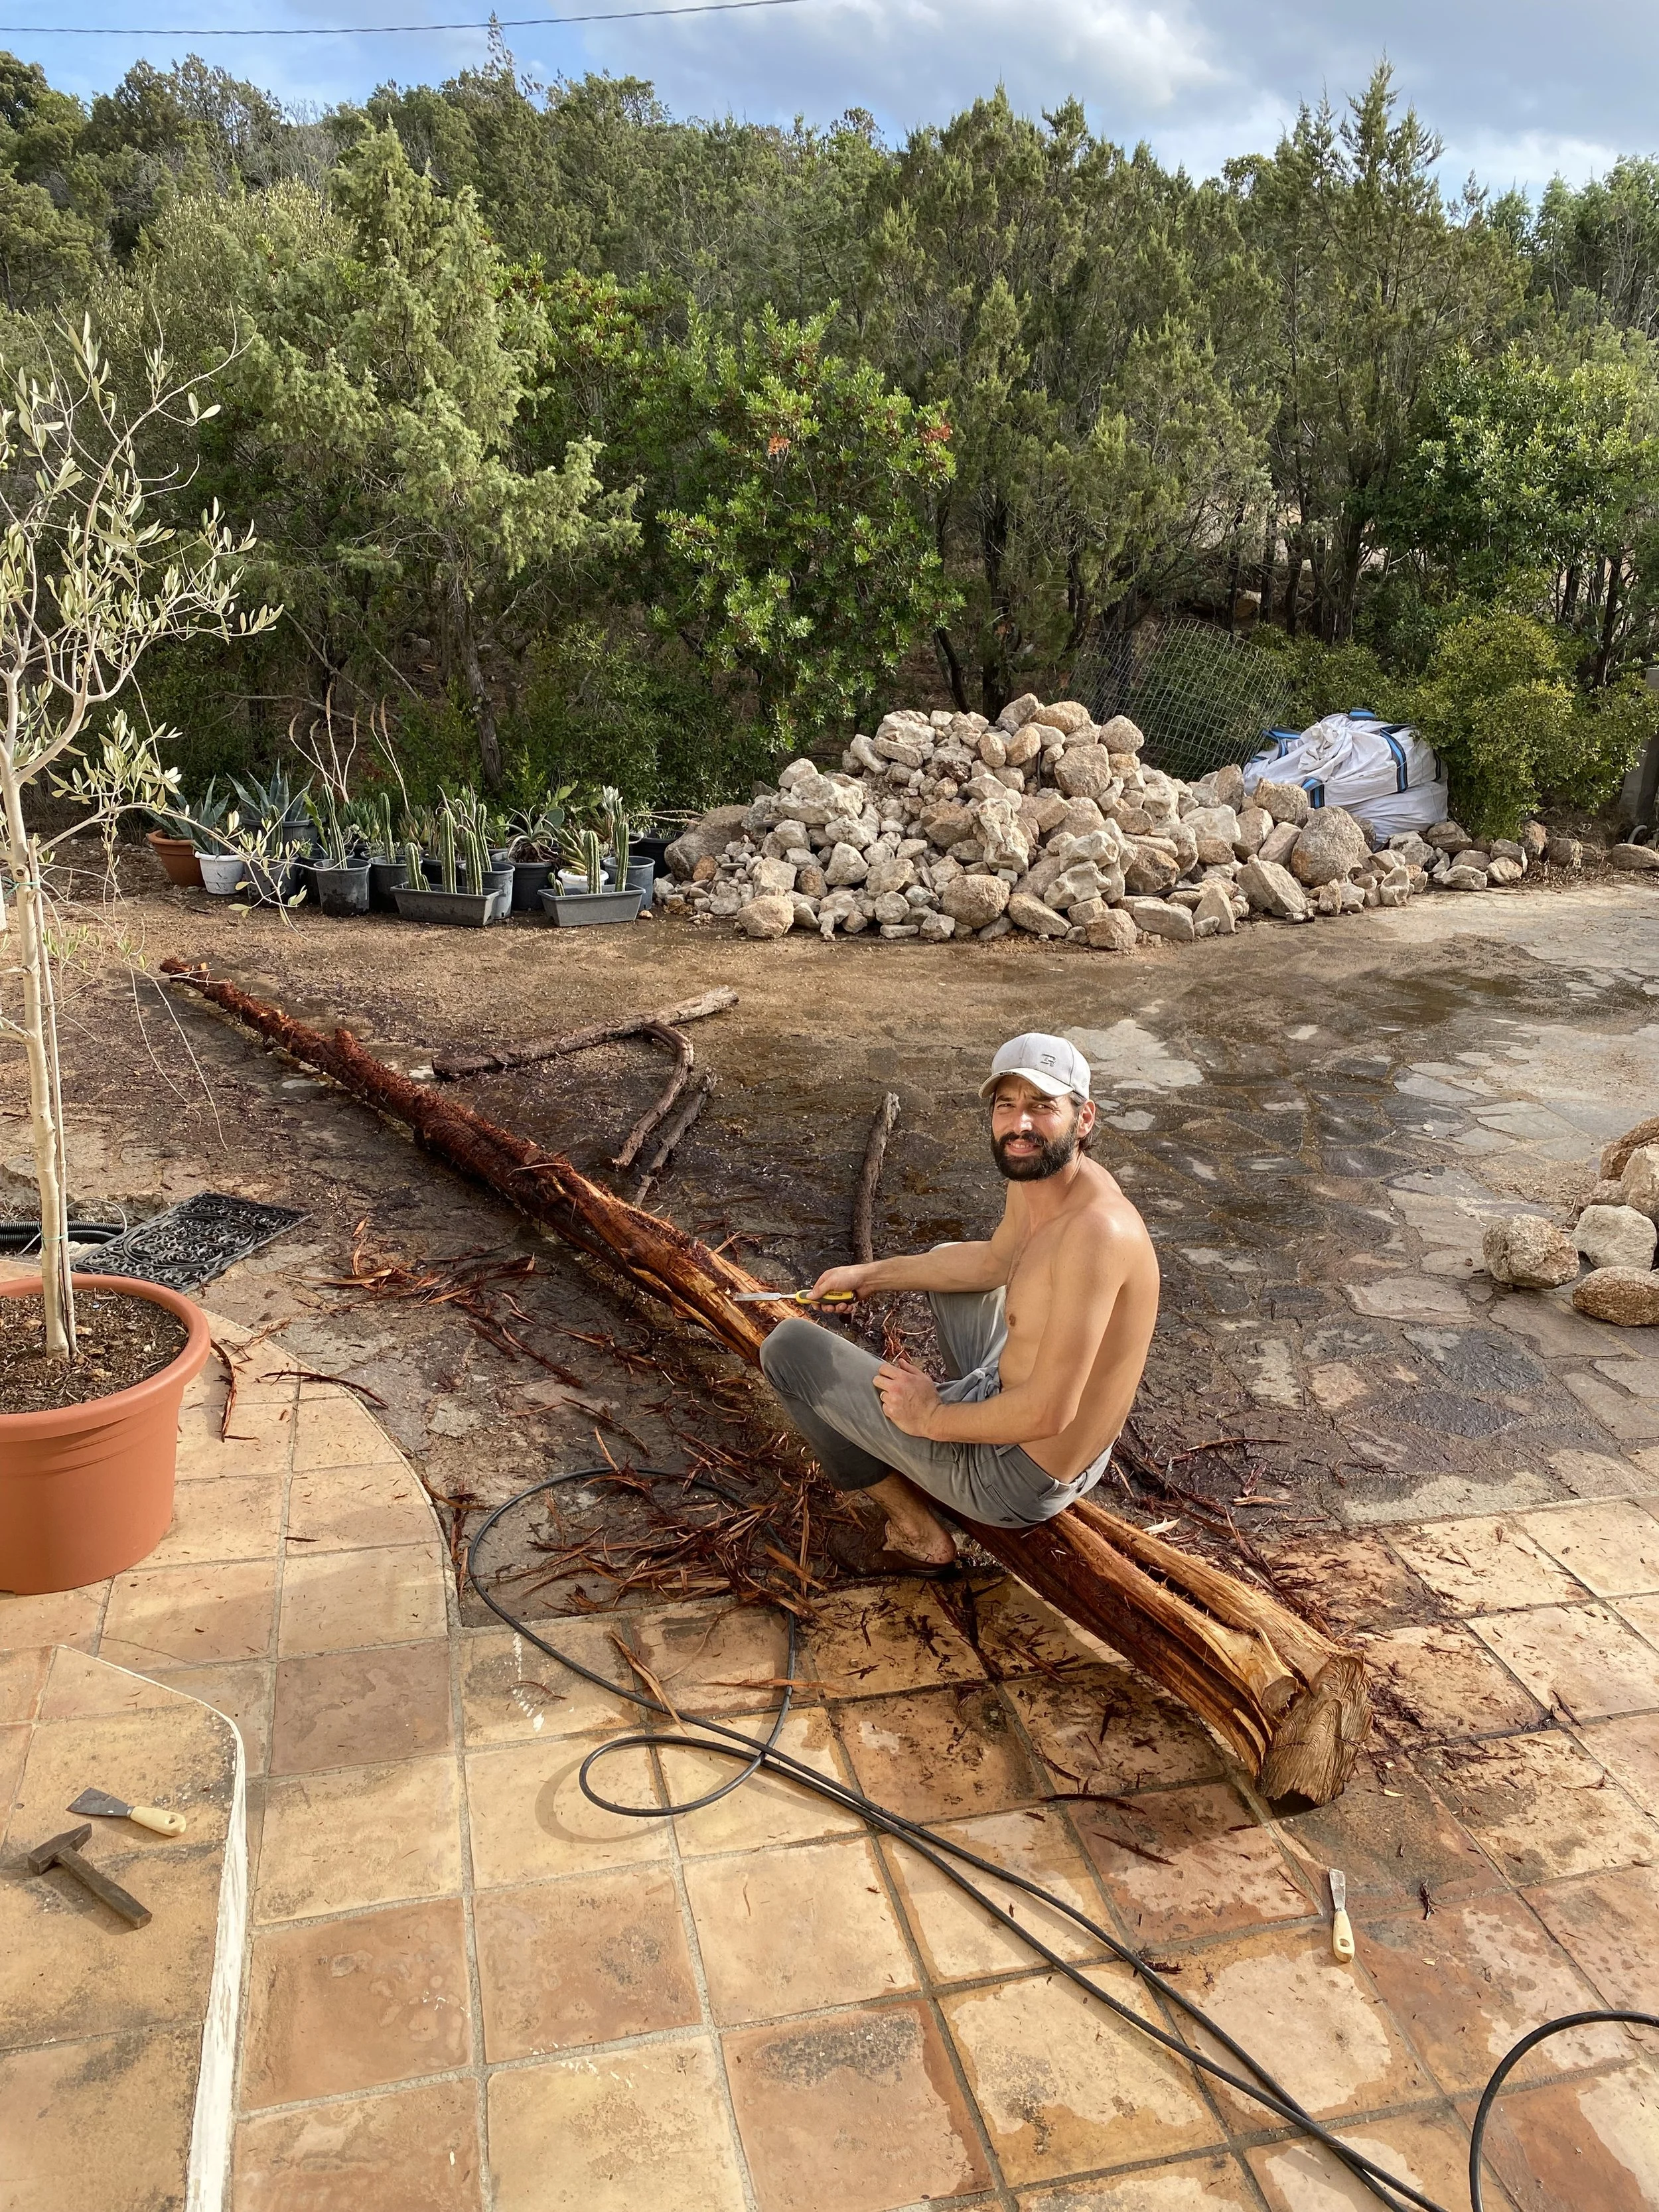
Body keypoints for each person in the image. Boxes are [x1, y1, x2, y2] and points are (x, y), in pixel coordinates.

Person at [759, 1031, 1160, 1571]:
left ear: (1084, 1117)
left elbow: (1049, 1410)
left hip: (1017, 1475)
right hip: (1023, 1406)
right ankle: (955, 1428)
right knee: (949, 1262)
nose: (1020, 1124)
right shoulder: (1044, 1178)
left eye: (1043, 1106)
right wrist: (870, 1275)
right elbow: (993, 1263)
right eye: (1006, 1105)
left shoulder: (1096, 1233)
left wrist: (932, 1417)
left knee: (787, 1348)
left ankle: (916, 1532)